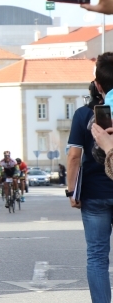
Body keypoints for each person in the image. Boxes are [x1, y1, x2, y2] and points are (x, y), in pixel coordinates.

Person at [71, 52, 113, 303]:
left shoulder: (82, 114)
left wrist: (71, 192)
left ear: (97, 85)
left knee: (97, 256)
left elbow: (74, 157)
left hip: (94, 194)